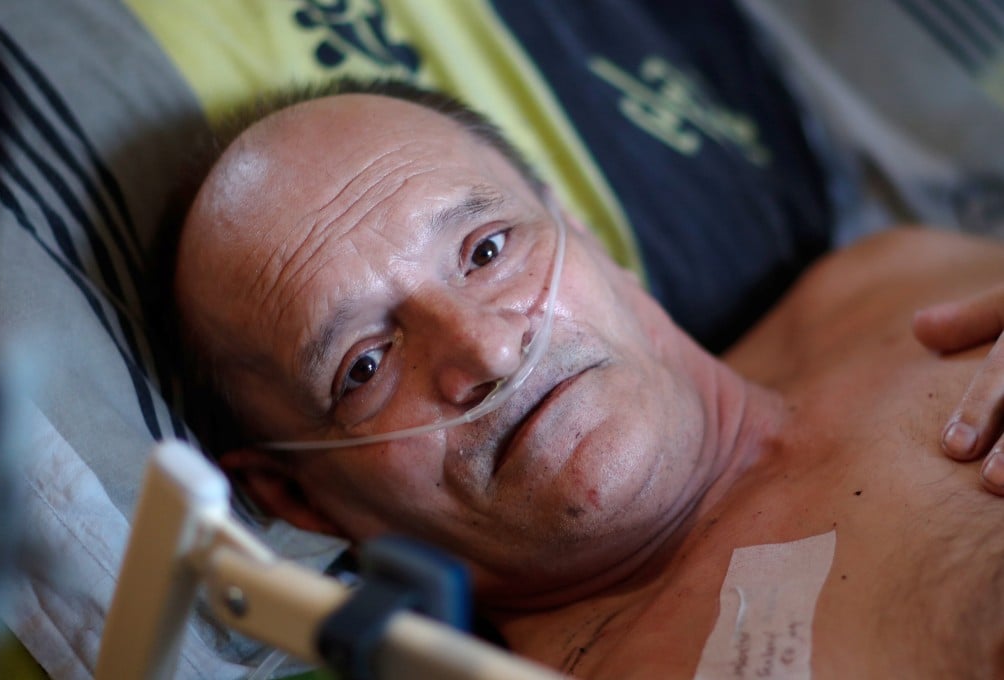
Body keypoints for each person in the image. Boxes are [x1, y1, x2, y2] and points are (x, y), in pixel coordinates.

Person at [172, 81, 1004, 678]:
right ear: (301, 500)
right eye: (365, 365)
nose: (488, 356)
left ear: (577, 229)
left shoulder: (886, 285)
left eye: (487, 251)